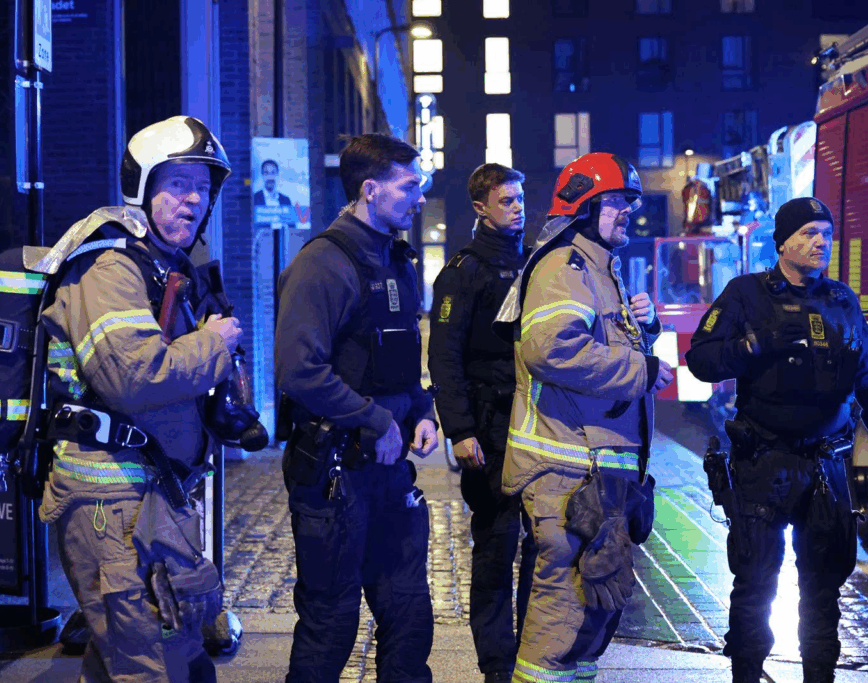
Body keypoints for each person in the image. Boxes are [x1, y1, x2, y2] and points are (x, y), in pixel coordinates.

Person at [38, 116, 244, 682]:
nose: (193, 199)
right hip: (113, 505)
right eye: (177, 184)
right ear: (142, 186)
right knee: (155, 663)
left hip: (145, 495)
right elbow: (133, 379)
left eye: (202, 187)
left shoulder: (161, 266)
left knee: (132, 661)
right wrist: (213, 342)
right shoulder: (110, 270)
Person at [684, 197, 868, 683]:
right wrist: (753, 344)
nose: (820, 242)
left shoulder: (841, 299)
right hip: (765, 463)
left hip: (826, 467)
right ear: (783, 243)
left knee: (824, 591)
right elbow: (700, 360)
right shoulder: (746, 294)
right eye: (809, 233)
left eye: (826, 233)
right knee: (755, 585)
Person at [492, 153, 674, 683]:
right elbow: (551, 349)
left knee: (589, 625)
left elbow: (598, 342)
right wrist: (640, 369)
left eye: (630, 202)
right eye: (615, 201)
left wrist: (645, 330)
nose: (627, 211)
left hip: (596, 474)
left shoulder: (598, 269)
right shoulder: (564, 266)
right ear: (583, 205)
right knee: (561, 619)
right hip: (567, 474)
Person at [275, 133, 439, 683]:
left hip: (388, 472)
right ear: (370, 190)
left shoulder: (396, 257)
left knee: (409, 612)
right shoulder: (323, 263)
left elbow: (399, 361)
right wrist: (374, 418)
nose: (420, 198)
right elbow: (298, 371)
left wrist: (422, 411)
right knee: (331, 622)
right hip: (334, 473)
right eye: (409, 186)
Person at [427, 163, 537, 683]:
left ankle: (533, 654)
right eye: (506, 201)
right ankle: (497, 665)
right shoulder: (463, 271)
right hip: (488, 428)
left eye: (520, 199)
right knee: (495, 547)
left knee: (543, 545)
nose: (517, 208)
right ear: (480, 208)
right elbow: (444, 355)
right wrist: (460, 429)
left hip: (534, 426)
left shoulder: (536, 262)